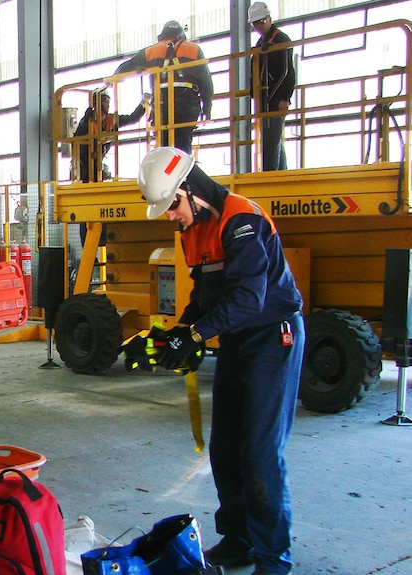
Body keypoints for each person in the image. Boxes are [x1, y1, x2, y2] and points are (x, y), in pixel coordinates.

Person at [138, 147, 305, 575]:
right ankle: (238, 541)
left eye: (172, 205)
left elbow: (250, 300)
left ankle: (273, 559)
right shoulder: (193, 228)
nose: (171, 216)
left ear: (191, 191)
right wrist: (180, 332)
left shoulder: (241, 220)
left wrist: (196, 334)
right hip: (236, 338)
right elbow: (205, 294)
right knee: (226, 448)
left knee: (261, 452)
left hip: (273, 337)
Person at [114, 20, 213, 154]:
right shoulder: (193, 49)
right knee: (182, 147)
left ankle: (166, 170)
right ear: (181, 35)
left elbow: (126, 66)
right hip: (187, 104)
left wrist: (114, 78)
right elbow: (206, 82)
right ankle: (181, 170)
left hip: (161, 105)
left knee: (163, 147)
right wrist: (206, 108)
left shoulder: (151, 51)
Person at [73, 88, 146, 246]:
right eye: (104, 101)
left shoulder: (111, 121)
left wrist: (144, 104)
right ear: (95, 104)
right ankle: (88, 245)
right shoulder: (87, 122)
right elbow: (78, 143)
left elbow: (132, 119)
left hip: (98, 168)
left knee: (102, 207)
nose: (107, 103)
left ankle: (102, 238)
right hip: (85, 170)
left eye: (107, 101)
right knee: (87, 213)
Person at [249, 2, 296, 171]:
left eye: (260, 22)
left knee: (271, 141)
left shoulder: (280, 40)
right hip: (264, 100)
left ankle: (271, 175)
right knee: (273, 140)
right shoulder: (261, 43)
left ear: (269, 19)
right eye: (255, 24)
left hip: (275, 99)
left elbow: (288, 72)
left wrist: (284, 98)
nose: (258, 26)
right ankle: (281, 174)